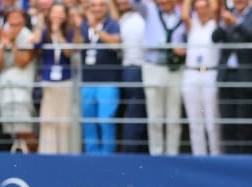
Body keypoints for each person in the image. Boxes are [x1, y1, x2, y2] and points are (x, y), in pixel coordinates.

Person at [211, 0, 252, 154]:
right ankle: (230, 158)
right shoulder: (227, 13)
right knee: (228, 122)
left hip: (247, 76)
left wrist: (237, 24)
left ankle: (245, 160)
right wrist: (224, 24)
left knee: (245, 123)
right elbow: (214, 38)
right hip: (227, 75)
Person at [134, 0, 187, 155]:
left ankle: (172, 154)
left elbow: (191, 35)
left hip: (174, 68)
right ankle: (156, 154)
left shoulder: (182, 15)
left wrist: (184, 49)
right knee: (154, 116)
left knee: (174, 116)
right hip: (153, 66)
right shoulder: (150, 9)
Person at [78, 0, 122, 154]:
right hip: (87, 81)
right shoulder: (83, 25)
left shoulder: (112, 24)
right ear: (88, 8)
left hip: (107, 81)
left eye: (101, 5)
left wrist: (95, 28)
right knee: (88, 121)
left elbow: (115, 43)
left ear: (106, 7)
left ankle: (107, 154)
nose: (97, 8)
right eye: (93, 5)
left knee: (106, 119)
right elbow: (76, 44)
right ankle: (92, 154)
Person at [34, 1, 77, 153]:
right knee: (48, 120)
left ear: (65, 16)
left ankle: (65, 151)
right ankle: (48, 152)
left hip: (65, 81)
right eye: (54, 12)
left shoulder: (71, 32)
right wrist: (40, 25)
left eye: (60, 13)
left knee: (64, 121)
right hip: (48, 81)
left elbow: (69, 53)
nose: (57, 16)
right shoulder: (45, 32)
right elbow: (35, 44)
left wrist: (58, 34)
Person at [179, 0, 221, 155]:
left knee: (211, 120)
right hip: (191, 74)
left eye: (204, 8)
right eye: (197, 8)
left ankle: (216, 155)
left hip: (209, 73)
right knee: (194, 121)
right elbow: (184, 16)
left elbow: (216, 8)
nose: (201, 11)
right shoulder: (193, 26)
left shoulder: (215, 25)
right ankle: (199, 155)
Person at [0, 8, 38, 152]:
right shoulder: (4, 37)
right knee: (14, 133)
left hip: (22, 92)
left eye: (17, 24)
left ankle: (36, 157)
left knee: (24, 130)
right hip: (6, 91)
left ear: (23, 22)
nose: (13, 27)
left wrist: (12, 43)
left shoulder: (30, 37)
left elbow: (22, 62)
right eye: (11, 24)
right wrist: (2, 46)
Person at [115, 0, 148, 153]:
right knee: (136, 112)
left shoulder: (129, 19)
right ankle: (131, 151)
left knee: (133, 112)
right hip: (135, 69)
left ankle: (132, 150)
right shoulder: (136, 20)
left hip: (129, 69)